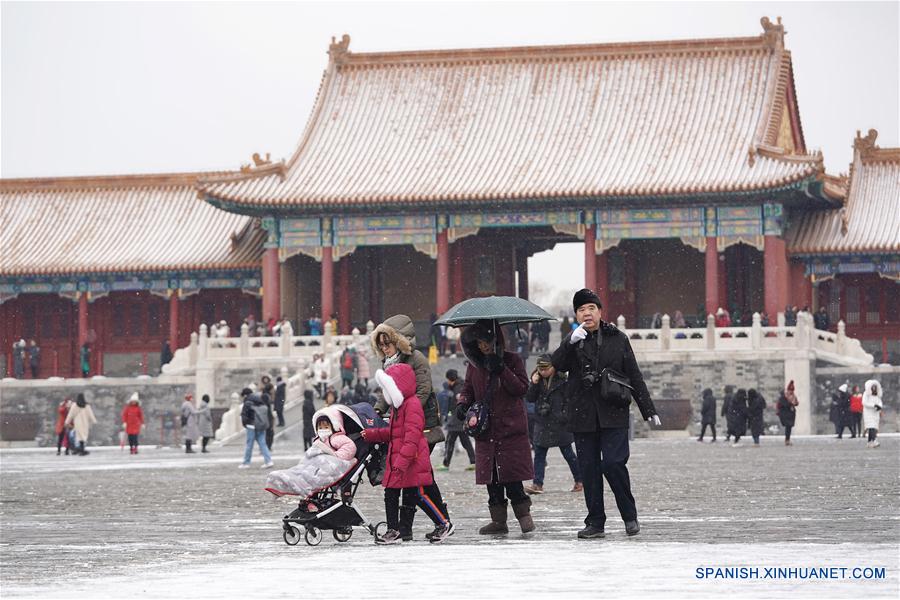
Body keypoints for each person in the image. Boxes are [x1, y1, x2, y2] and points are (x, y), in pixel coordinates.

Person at [550, 289, 659, 539]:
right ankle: (595, 522)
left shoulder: (618, 338)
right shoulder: (574, 340)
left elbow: (634, 374)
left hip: (613, 411)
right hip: (583, 413)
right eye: (581, 310)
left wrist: (648, 409)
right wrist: (569, 342)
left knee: (613, 463)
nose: (586, 313)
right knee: (588, 469)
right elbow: (556, 364)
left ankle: (629, 516)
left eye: (591, 308)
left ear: (600, 311)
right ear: (576, 315)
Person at [371, 314, 449, 541]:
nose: (385, 348)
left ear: (398, 340)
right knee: (415, 479)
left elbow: (423, 391)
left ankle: (439, 522)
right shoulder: (387, 363)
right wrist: (377, 410)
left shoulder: (416, 359)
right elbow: (388, 392)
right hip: (402, 425)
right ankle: (406, 529)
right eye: (381, 344)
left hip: (421, 427)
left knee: (419, 480)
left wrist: (406, 411)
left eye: (388, 343)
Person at [455, 318, 535, 535]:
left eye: (486, 341)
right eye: (479, 343)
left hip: (510, 428)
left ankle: (524, 516)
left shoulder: (513, 360)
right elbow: (468, 389)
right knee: (493, 480)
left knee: (512, 478)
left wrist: (501, 370)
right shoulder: (474, 366)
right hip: (486, 429)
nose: (483, 346)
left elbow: (521, 388)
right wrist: (463, 403)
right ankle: (498, 521)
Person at [362, 366, 453, 544]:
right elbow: (393, 433)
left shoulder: (412, 405)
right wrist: (372, 434)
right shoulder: (398, 407)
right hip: (398, 458)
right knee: (390, 492)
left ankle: (443, 523)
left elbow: (411, 438)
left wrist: (402, 462)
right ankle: (393, 529)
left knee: (417, 495)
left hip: (412, 460)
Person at [265, 411, 357, 505]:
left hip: (329, 464)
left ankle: (301, 486)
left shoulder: (336, 438)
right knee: (300, 471)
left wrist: (336, 457)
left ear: (333, 427)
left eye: (326, 427)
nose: (323, 429)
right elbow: (310, 455)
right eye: (320, 427)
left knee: (312, 477)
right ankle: (284, 484)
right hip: (314, 465)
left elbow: (350, 447)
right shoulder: (318, 440)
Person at [525, 354, 582, 494]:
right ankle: (537, 484)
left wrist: (564, 414)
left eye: (546, 368)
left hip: (560, 422)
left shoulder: (562, 379)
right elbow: (530, 398)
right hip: (543, 421)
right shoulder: (537, 379)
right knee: (539, 454)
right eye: (541, 369)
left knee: (568, 453)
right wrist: (533, 383)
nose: (543, 371)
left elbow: (570, 398)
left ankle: (580, 480)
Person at [439, 369, 476, 471]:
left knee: (450, 442)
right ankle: (473, 462)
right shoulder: (459, 386)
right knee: (466, 442)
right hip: (461, 420)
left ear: (451, 379)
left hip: (456, 421)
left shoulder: (458, 388)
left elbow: (458, 405)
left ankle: (446, 464)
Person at [239, 387, 274, 468]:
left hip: (251, 425)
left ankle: (246, 463)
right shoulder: (260, 400)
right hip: (261, 425)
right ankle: (268, 461)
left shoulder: (247, 402)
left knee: (249, 445)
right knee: (263, 444)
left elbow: (244, 415)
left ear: (245, 395)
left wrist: (245, 424)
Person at [862, 379, 883, 448]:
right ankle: (874, 440)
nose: (874, 388)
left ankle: (870, 442)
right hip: (868, 413)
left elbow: (879, 402)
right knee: (871, 427)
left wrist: (879, 407)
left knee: (873, 427)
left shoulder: (876, 394)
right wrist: (873, 405)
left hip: (875, 413)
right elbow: (864, 403)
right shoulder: (866, 394)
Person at [776, 381, 799, 446]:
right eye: (790, 390)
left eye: (792, 390)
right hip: (785, 413)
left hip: (791, 413)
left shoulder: (794, 396)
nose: (791, 391)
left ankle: (787, 439)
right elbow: (785, 404)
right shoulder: (784, 397)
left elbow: (796, 403)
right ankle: (787, 440)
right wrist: (791, 404)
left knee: (789, 427)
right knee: (788, 426)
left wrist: (795, 403)